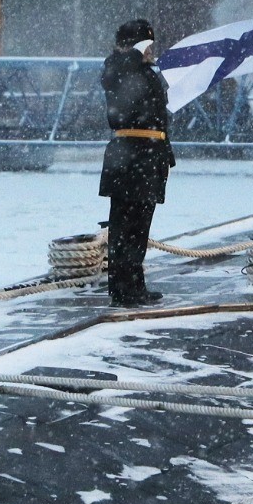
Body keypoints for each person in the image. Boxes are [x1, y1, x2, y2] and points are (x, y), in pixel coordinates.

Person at [99, 18, 174, 307]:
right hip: (129, 155)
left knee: (140, 225)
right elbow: (114, 75)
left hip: (148, 154)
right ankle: (122, 287)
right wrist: (132, 52)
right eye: (146, 45)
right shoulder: (117, 66)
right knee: (124, 226)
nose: (150, 51)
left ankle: (134, 283)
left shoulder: (144, 71)